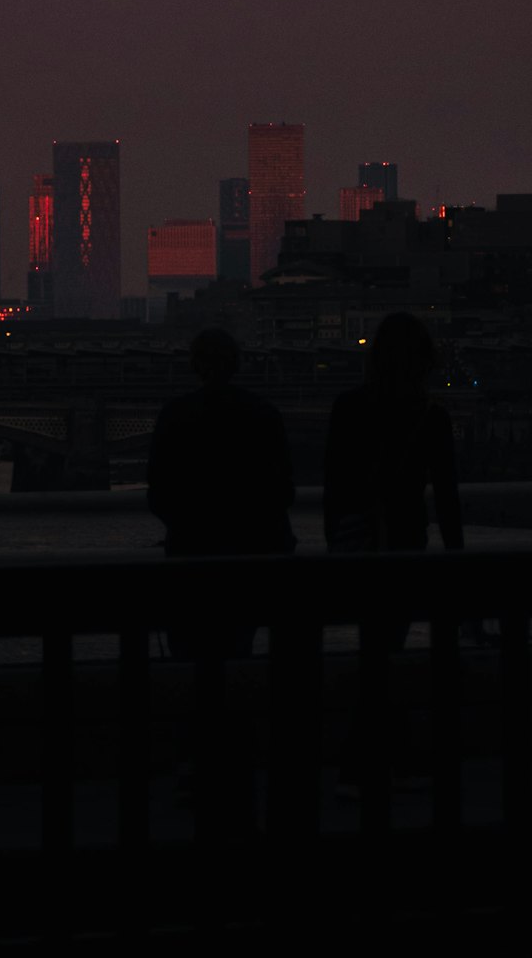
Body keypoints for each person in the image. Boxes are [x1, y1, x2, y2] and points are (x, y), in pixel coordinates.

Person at [324, 312, 463, 794]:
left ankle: (373, 759)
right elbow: (446, 498)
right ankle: (388, 757)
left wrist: (336, 544)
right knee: (387, 651)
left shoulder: (347, 408)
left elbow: (334, 487)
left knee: (374, 653)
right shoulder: (432, 416)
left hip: (358, 547)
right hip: (406, 548)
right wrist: (456, 559)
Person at [148, 327, 296, 660]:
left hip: (190, 557)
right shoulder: (263, 414)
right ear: (237, 365)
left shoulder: (175, 414)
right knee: (237, 648)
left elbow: (157, 491)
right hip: (250, 560)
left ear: (194, 365)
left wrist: (189, 525)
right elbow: (283, 490)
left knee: (188, 655)